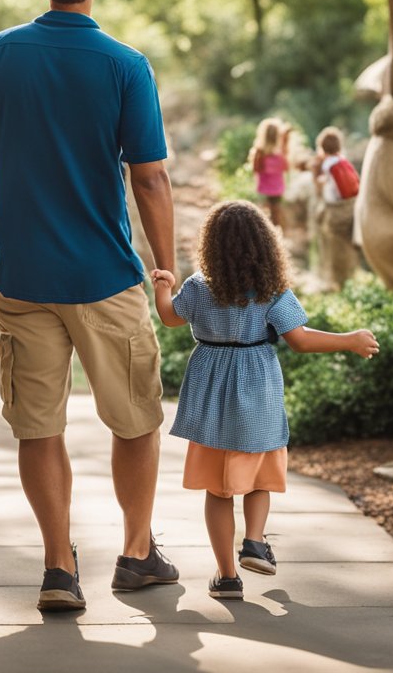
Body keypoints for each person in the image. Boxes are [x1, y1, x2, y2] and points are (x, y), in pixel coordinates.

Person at [0, 0, 179, 613]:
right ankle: (136, 554)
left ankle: (59, 567)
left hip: (19, 278)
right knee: (135, 420)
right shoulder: (126, 64)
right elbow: (152, 180)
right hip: (106, 276)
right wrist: (166, 269)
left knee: (38, 425)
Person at [151, 200, 378, 600]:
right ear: (265, 245)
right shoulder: (272, 292)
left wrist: (163, 288)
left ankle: (226, 578)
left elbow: (170, 318)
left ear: (212, 246)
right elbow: (301, 339)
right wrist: (348, 340)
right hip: (256, 385)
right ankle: (254, 541)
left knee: (218, 490)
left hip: (210, 392)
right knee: (258, 473)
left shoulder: (199, 287)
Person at [312, 125, 360, 290]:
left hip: (335, 210)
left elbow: (325, 185)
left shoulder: (327, 164)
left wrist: (318, 180)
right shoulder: (343, 160)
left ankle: (339, 282)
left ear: (322, 147)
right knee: (348, 244)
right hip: (351, 206)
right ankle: (352, 277)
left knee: (336, 248)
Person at [247, 117, 290, 228]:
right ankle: (276, 239)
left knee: (263, 219)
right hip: (277, 190)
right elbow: (286, 168)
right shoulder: (280, 153)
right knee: (276, 218)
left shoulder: (259, 153)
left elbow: (255, 169)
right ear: (277, 136)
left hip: (263, 190)